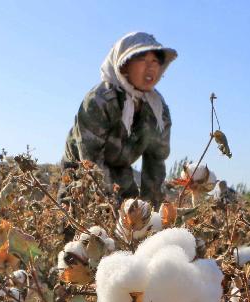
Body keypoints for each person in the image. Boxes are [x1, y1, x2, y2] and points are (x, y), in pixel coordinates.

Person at [63, 32, 177, 207]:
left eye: (155, 62)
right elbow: (91, 164)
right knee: (79, 222)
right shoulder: (99, 101)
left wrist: (151, 216)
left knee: (134, 222)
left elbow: (155, 164)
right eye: (143, 60)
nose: (151, 68)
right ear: (124, 65)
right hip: (81, 174)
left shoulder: (157, 110)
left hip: (121, 171)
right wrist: (111, 206)